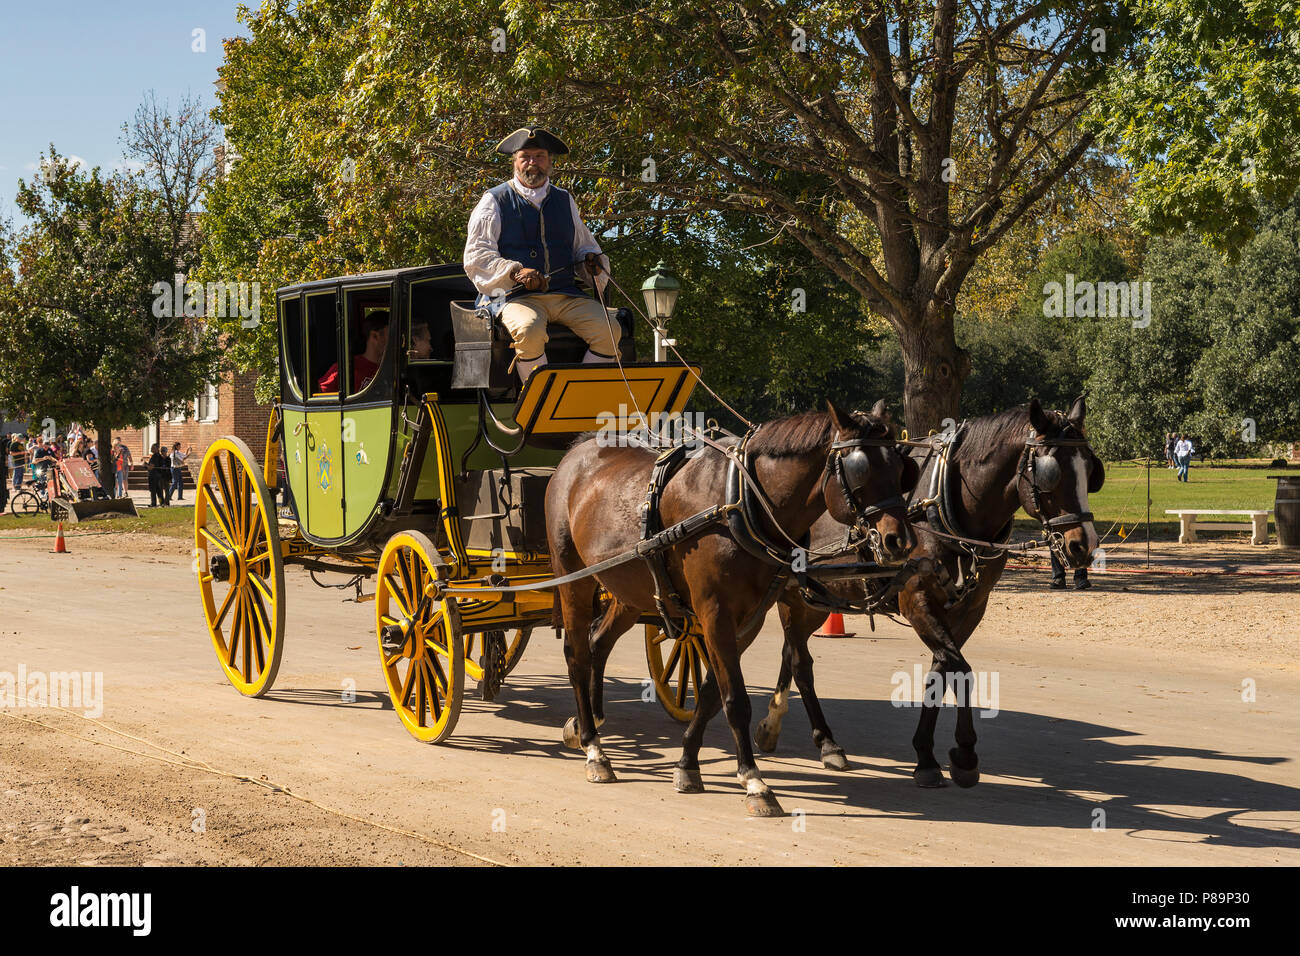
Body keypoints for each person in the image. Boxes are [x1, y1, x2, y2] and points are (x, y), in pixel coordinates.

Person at [463, 126, 618, 384]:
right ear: (515, 161)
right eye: (526, 157)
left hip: (565, 294)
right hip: (513, 297)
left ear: (549, 162)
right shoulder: (494, 200)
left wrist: (593, 260)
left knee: (611, 329)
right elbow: (477, 255)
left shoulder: (564, 199)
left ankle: (576, 402)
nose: (532, 163)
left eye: (540, 156)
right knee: (529, 330)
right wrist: (515, 271)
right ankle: (539, 406)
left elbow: (583, 246)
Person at [317, 311, 388, 394]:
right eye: (391, 334)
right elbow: (318, 396)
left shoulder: (392, 368)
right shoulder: (346, 368)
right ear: (375, 336)